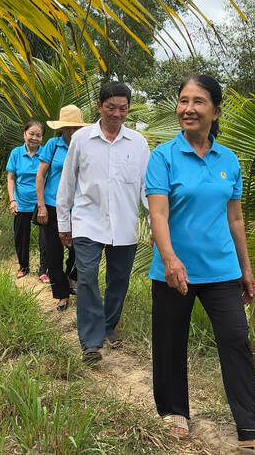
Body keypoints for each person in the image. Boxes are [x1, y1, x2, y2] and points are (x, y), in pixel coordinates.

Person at [144, 75, 255, 453]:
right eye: (183, 101)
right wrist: (170, 259)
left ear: (215, 111)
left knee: (236, 341)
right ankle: (174, 411)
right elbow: (157, 215)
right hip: (174, 270)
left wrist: (246, 268)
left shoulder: (229, 159)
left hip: (222, 269)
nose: (188, 108)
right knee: (170, 340)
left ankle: (251, 430)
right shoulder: (163, 156)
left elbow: (236, 219)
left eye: (198, 101)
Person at [56, 82, 150, 364]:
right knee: (86, 278)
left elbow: (148, 188)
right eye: (111, 108)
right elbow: (67, 183)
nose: (117, 114)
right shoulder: (82, 139)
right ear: (99, 106)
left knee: (119, 281)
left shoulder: (139, 143)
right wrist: (63, 222)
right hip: (87, 222)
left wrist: (158, 224)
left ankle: (108, 326)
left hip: (124, 225)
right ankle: (91, 343)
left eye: (123, 109)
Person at [35, 105, 87, 311]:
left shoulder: (86, 146)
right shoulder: (52, 145)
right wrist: (41, 206)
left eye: (76, 127)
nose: (72, 132)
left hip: (79, 208)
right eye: (68, 128)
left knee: (79, 249)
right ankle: (61, 294)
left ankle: (72, 277)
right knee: (53, 253)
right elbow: (40, 176)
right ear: (61, 128)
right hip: (51, 205)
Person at [6, 121, 48, 281]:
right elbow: (11, 178)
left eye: (38, 135)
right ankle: (23, 267)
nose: (34, 138)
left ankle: (44, 270)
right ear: (24, 134)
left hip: (41, 203)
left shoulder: (45, 153)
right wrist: (12, 200)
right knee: (20, 236)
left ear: (42, 138)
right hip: (21, 203)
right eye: (31, 134)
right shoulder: (16, 153)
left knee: (45, 239)